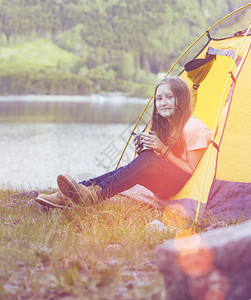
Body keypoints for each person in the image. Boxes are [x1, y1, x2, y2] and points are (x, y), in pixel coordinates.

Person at [36, 77, 212, 209]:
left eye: (169, 97)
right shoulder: (167, 126)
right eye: (159, 99)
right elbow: (165, 163)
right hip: (167, 182)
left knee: (149, 161)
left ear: (181, 99)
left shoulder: (194, 128)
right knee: (146, 159)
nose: (162, 103)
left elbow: (193, 173)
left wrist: (163, 151)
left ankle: (92, 195)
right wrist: (146, 151)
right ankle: (75, 192)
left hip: (186, 187)